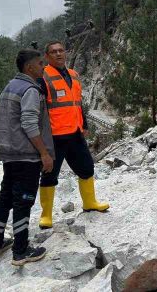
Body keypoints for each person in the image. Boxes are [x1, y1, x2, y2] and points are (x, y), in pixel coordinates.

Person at [0, 49, 55, 265]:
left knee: (5, 198)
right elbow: (29, 123)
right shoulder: (30, 90)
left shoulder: (10, 87)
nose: (43, 67)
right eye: (40, 63)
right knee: (23, 201)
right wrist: (44, 152)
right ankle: (21, 250)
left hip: (9, 153)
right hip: (26, 155)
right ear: (29, 67)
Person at [38, 40, 108, 230]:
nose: (59, 54)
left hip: (75, 132)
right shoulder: (42, 77)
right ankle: (46, 215)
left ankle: (90, 202)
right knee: (49, 174)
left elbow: (77, 103)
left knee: (86, 168)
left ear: (66, 53)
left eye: (61, 50)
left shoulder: (74, 76)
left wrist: (84, 123)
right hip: (54, 135)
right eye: (53, 52)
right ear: (47, 56)